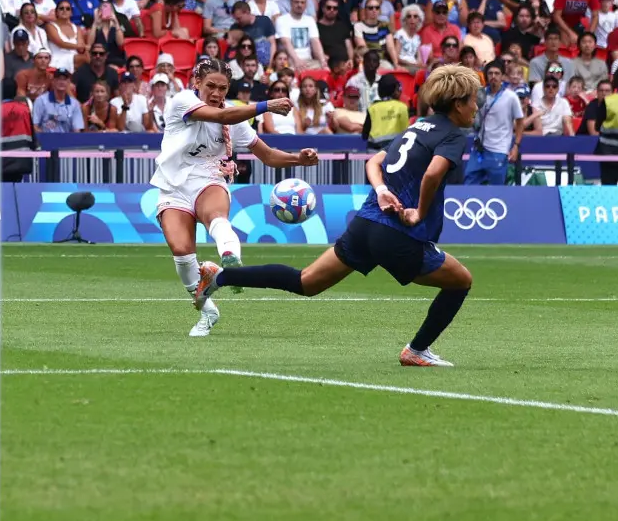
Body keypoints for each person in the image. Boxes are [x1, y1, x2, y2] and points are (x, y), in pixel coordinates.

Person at [194, 64, 480, 367]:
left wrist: (381, 189)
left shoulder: (418, 126)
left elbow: (375, 162)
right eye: (473, 99)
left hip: (366, 224)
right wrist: (419, 213)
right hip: (396, 234)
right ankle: (416, 350)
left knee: (307, 282)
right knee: (460, 280)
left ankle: (220, 276)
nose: (476, 106)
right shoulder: (453, 135)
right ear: (458, 103)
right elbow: (433, 174)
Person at [153, 57, 317, 339]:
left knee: (216, 216)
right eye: (211, 86)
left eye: (223, 88)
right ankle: (208, 310)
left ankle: (230, 259)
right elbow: (221, 116)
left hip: (209, 179)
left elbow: (266, 155)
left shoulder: (235, 118)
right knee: (181, 251)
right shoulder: (181, 101)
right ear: (196, 83)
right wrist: (266, 105)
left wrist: (298, 160)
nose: (216, 94)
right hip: (173, 187)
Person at [465, 60, 525, 185]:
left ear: (503, 76)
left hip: (499, 150)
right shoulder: (480, 95)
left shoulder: (511, 97)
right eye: (490, 73)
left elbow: (520, 121)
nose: (493, 77)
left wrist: (516, 146)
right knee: (468, 184)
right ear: (486, 76)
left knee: (496, 190)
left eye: (497, 73)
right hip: (479, 149)